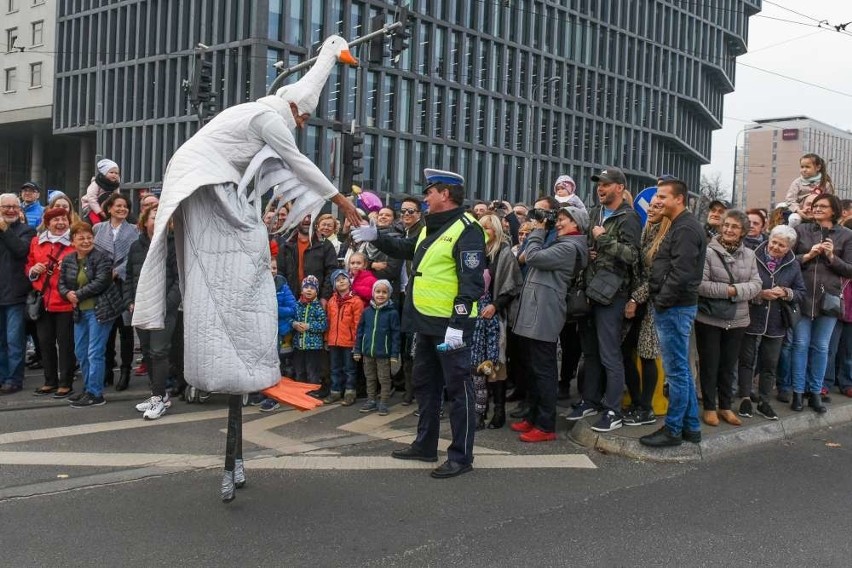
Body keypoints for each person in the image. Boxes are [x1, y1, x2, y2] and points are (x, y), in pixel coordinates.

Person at [351, 168, 486, 479]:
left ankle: (461, 456)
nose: (425, 197)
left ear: (446, 194)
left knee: (457, 388)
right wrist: (379, 238)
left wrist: (458, 324)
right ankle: (425, 445)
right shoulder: (430, 226)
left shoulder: (468, 229)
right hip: (425, 322)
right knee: (426, 385)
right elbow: (411, 250)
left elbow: (472, 284)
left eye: (430, 191)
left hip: (450, 324)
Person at [567, 167, 641, 433]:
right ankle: (590, 400)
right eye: (599, 184)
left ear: (620, 187)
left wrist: (604, 239)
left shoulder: (629, 217)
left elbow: (633, 256)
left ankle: (613, 409)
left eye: (606, 184)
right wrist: (591, 251)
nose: (601, 188)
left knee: (610, 354)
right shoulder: (596, 213)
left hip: (613, 295)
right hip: (590, 291)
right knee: (590, 353)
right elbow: (592, 244)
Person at [510, 206, 588, 441]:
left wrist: (539, 230)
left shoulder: (569, 247)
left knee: (543, 370)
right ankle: (533, 417)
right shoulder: (559, 242)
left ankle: (545, 426)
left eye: (564, 219)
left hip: (545, 313)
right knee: (533, 368)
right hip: (536, 310)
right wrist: (544, 229)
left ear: (577, 224)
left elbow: (532, 257)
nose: (559, 223)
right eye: (559, 219)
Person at [640, 179, 707, 447]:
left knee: (677, 373)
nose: (657, 201)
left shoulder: (687, 228)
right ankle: (691, 427)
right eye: (657, 195)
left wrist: (662, 301)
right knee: (681, 372)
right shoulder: (681, 225)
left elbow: (682, 273)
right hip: (674, 306)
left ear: (679, 199)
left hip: (675, 308)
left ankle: (673, 430)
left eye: (663, 196)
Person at [695, 209, 762, 427]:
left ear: (743, 231)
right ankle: (709, 407)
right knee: (709, 365)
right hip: (710, 318)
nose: (729, 230)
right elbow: (701, 285)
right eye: (726, 225)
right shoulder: (708, 252)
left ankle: (725, 406)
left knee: (728, 365)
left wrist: (734, 290)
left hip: (738, 320)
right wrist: (732, 291)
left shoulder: (750, 255)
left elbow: (757, 285)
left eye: (734, 226)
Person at [736, 225, 805, 421]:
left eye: (781, 245)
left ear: (789, 247)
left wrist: (785, 292)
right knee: (747, 360)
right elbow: (741, 283)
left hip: (776, 320)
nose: (775, 247)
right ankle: (745, 398)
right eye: (774, 242)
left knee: (770, 363)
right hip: (751, 315)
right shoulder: (752, 256)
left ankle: (764, 401)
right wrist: (759, 294)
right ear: (769, 239)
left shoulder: (793, 264)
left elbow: (801, 292)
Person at [791, 194, 852, 412]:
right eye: (815, 206)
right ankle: (797, 392)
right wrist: (807, 256)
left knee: (821, 347)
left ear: (833, 211)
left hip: (830, 299)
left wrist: (831, 256)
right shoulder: (801, 231)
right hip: (802, 295)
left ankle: (815, 392)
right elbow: (788, 261)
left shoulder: (846, 235)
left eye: (822, 206)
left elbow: (849, 269)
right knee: (799, 345)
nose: (816, 209)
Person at [58, 222, 124, 407]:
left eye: (89, 237)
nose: (86, 241)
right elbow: (61, 283)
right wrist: (66, 293)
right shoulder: (69, 259)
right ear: (72, 242)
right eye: (81, 238)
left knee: (95, 352)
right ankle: (87, 389)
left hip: (100, 310)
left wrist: (76, 294)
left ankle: (96, 394)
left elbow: (101, 281)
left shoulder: (101, 258)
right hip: (81, 312)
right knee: (81, 352)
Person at [127, 207, 180, 420]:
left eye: (162, 217)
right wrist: (130, 301)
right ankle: (158, 394)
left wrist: (167, 304)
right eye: (154, 216)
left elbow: (180, 280)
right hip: (142, 307)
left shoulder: (174, 245)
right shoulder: (135, 247)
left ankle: (159, 399)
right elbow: (130, 277)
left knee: (159, 352)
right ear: (144, 221)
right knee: (148, 352)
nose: (158, 220)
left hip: (164, 309)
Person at [622, 200, 670, 426]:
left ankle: (646, 407)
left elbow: (656, 278)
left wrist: (635, 298)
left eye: (657, 207)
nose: (651, 210)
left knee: (648, 355)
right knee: (626, 350)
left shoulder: (666, 238)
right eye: (650, 206)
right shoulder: (646, 231)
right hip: (639, 300)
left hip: (653, 303)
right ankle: (637, 401)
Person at [473, 214, 522, 430]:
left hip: (495, 316)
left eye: (488, 228)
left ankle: (499, 411)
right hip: (473, 316)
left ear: (497, 230)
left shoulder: (504, 252)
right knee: (475, 366)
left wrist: (495, 305)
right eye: (481, 227)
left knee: (496, 365)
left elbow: (512, 286)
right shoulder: (473, 252)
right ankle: (478, 411)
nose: (485, 231)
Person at [26, 208, 76, 397]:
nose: (60, 223)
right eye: (56, 220)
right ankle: (49, 381)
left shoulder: (73, 242)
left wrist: (70, 268)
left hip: (64, 302)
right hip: (43, 301)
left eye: (63, 219)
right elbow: (28, 264)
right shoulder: (36, 242)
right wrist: (33, 270)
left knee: (65, 344)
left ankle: (66, 382)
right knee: (45, 342)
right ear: (48, 223)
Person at [93, 193, 138, 391]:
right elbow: (93, 254)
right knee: (107, 329)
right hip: (104, 286)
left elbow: (136, 256)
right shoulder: (98, 228)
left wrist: (117, 271)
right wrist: (104, 273)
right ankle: (107, 370)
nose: (122, 209)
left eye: (125, 206)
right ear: (109, 208)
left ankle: (126, 370)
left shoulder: (134, 230)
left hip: (124, 284)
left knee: (126, 330)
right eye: (118, 206)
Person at [0, 194, 37, 395]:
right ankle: (2, 376)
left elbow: (21, 251)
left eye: (14, 206)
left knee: (14, 341)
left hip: (16, 296)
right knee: (1, 341)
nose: (11, 210)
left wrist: (4, 230)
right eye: (6, 206)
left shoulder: (27, 231)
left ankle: (14, 379)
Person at [354, 279, 401, 416]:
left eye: (384, 292)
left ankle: (384, 402)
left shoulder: (392, 313)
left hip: (384, 354)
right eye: (378, 291)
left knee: (384, 379)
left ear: (389, 294)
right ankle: (371, 400)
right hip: (368, 352)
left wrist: (394, 354)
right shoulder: (367, 311)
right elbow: (360, 331)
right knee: (370, 377)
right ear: (373, 293)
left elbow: (396, 335)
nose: (380, 295)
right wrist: (357, 349)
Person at [397, 196, 424, 406]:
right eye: (403, 211)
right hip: (403, 294)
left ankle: (417, 390)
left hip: (420, 297)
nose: (406, 215)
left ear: (419, 213)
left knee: (417, 348)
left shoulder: (422, 232)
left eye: (411, 211)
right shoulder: (403, 231)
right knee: (406, 346)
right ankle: (409, 389)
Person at [323, 269, 364, 406]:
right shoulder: (331, 302)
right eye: (338, 279)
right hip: (334, 341)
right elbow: (328, 322)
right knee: (335, 368)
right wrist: (327, 339)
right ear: (334, 285)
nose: (341, 281)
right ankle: (335, 391)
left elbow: (358, 324)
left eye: (344, 278)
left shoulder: (356, 301)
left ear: (349, 281)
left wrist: (357, 343)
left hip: (349, 342)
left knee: (349, 369)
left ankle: (350, 392)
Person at [291, 276, 327, 387]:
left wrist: (309, 326)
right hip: (298, 346)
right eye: (306, 287)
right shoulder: (296, 305)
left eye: (312, 288)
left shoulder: (318, 307)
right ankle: (300, 393)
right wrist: (294, 324)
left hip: (314, 347)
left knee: (313, 371)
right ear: (302, 290)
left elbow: (323, 325)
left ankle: (313, 391)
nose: (309, 290)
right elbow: (290, 318)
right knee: (299, 371)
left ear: (317, 291)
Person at [81, 159, 122, 225]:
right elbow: (91, 198)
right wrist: (100, 211)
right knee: (97, 222)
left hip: (105, 206)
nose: (114, 175)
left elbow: (116, 196)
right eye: (111, 172)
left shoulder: (115, 184)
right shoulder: (96, 183)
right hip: (90, 206)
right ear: (104, 173)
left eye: (116, 173)